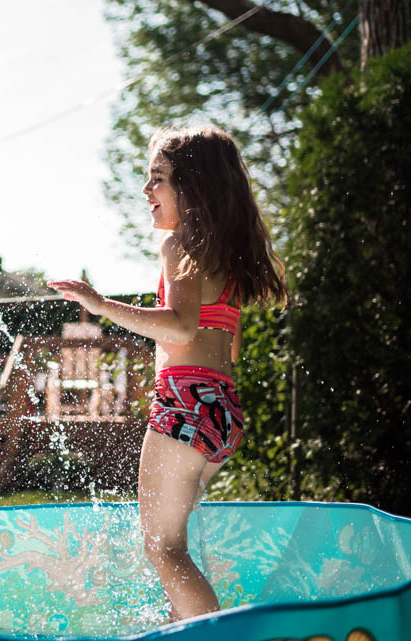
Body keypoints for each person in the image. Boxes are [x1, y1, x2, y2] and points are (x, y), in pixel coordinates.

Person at [49, 125, 286, 622]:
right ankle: (180, 626)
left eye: (158, 178)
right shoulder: (227, 257)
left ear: (193, 186)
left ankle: (207, 637)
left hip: (185, 405)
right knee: (174, 542)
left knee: (164, 548)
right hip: (222, 411)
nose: (146, 191)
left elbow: (179, 327)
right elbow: (228, 344)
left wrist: (99, 303)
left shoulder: (180, 246)